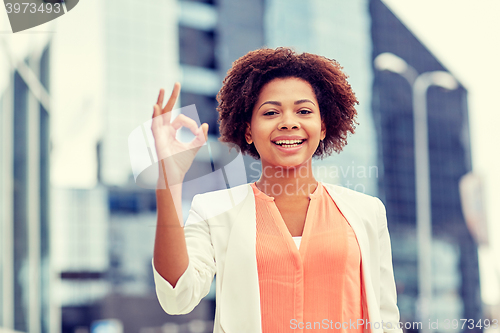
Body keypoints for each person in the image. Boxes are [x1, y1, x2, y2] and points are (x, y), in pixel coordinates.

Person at [151, 47, 402, 333]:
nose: (288, 122)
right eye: (271, 112)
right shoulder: (213, 210)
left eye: (304, 111)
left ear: (322, 127)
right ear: (248, 130)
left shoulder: (367, 211)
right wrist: (168, 181)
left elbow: (385, 317)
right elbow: (176, 296)